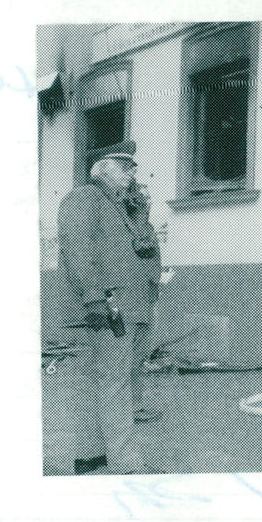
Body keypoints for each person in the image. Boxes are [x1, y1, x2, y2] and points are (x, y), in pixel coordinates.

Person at [58, 151, 164, 475]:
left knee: (107, 381)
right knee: (114, 382)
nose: (133, 174)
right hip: (108, 305)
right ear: (102, 171)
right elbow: (77, 247)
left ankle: (92, 454)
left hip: (130, 307)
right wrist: (94, 297)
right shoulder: (84, 197)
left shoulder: (122, 208)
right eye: (125, 168)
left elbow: (143, 253)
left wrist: (141, 214)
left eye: (132, 169)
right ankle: (127, 464)